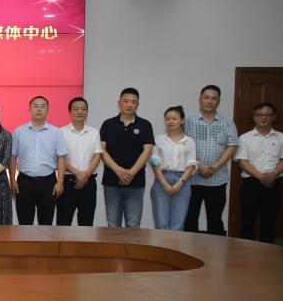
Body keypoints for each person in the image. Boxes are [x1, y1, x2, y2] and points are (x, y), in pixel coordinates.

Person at [183, 84, 239, 235]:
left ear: (218, 101)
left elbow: (232, 146)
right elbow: (183, 146)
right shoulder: (188, 121)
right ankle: (190, 249)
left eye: (214, 98)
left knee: (215, 219)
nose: (209, 101)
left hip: (217, 179)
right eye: (206, 97)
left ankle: (216, 250)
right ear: (200, 99)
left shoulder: (227, 122)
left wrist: (215, 167)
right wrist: (199, 165)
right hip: (192, 178)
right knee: (189, 219)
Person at [236, 102, 283, 243]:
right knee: (247, 221)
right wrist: (261, 177)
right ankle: (245, 252)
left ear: (273, 117)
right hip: (251, 184)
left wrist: (274, 174)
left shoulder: (281, 137)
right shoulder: (245, 138)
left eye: (267, 114)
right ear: (254, 117)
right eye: (260, 114)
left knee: (269, 221)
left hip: (274, 183)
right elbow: (242, 161)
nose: (263, 117)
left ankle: (267, 251)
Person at [100, 88, 154, 228]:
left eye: (133, 102)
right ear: (119, 103)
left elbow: (147, 151)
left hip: (136, 182)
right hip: (111, 182)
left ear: (138, 105)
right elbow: (102, 150)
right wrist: (118, 170)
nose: (129, 105)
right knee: (113, 224)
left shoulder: (145, 125)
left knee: (133, 224)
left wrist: (131, 173)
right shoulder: (108, 124)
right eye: (126, 101)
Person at [9, 95, 67, 225]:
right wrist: (12, 181)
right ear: (29, 110)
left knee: (46, 225)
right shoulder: (19, 131)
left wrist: (60, 182)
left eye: (42, 106)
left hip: (48, 182)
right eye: (35, 106)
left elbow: (61, 159)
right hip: (24, 182)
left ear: (47, 110)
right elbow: (13, 157)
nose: (39, 109)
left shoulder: (56, 132)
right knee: (24, 224)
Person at [150, 106, 198, 231]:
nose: (170, 121)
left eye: (174, 119)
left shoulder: (189, 141)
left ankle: (174, 244)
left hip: (183, 180)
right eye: (167, 119)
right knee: (161, 222)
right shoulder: (159, 139)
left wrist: (180, 183)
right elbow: (155, 162)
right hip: (162, 178)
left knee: (178, 222)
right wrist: (165, 184)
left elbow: (191, 164)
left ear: (182, 120)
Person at [57, 97, 102, 226]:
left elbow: (97, 156)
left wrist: (85, 175)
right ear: (70, 111)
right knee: (63, 224)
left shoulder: (94, 132)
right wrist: (77, 173)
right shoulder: (61, 132)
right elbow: (60, 158)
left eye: (83, 109)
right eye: (76, 109)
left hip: (89, 182)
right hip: (67, 182)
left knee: (86, 223)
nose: (80, 112)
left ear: (87, 111)